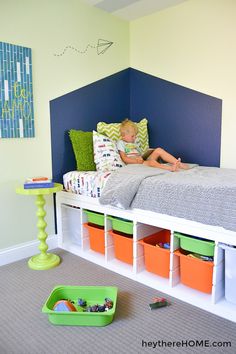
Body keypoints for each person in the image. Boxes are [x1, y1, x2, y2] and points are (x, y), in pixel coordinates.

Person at [116, 119, 188, 172]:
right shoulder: (121, 143)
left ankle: (177, 163)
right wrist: (136, 161)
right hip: (135, 164)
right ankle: (171, 168)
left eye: (135, 135)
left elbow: (141, 155)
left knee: (159, 150)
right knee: (152, 162)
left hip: (142, 161)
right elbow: (124, 158)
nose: (135, 138)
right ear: (123, 136)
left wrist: (146, 154)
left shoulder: (135, 143)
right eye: (132, 136)